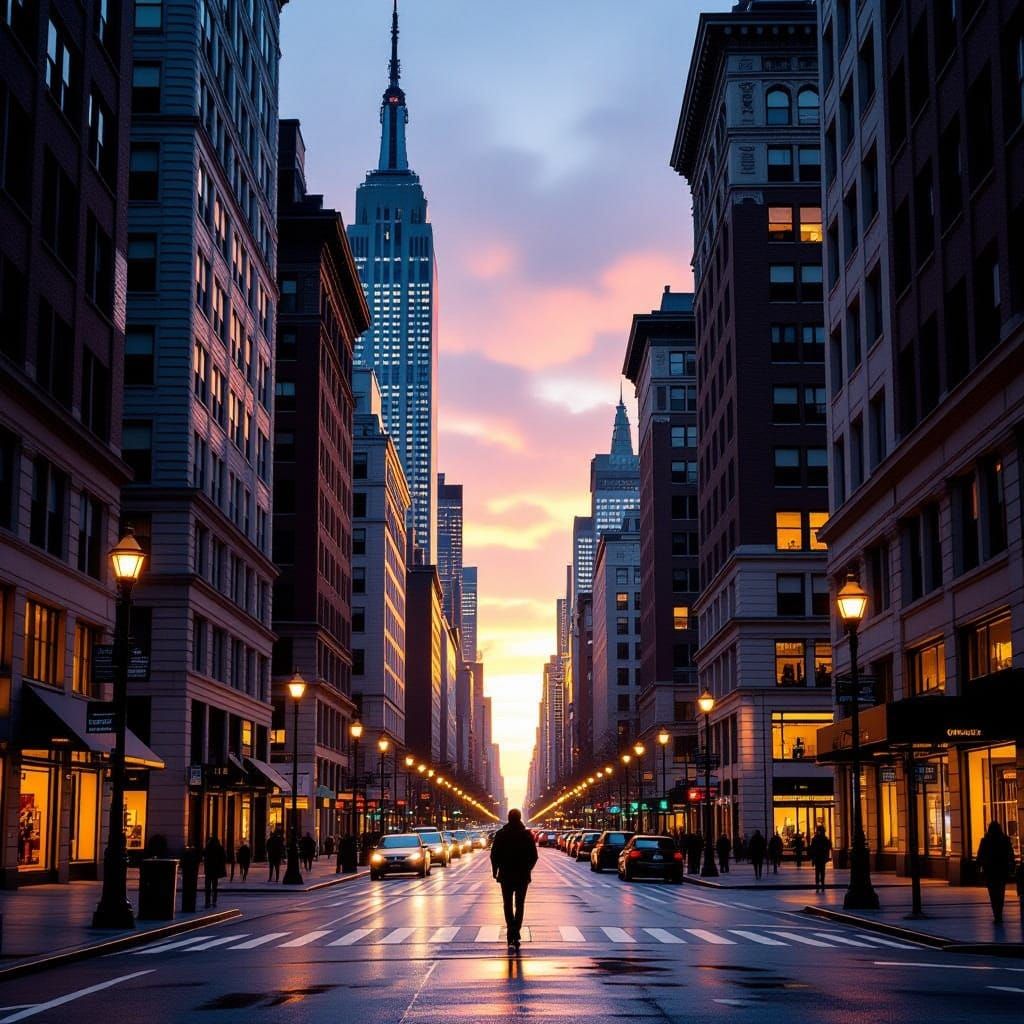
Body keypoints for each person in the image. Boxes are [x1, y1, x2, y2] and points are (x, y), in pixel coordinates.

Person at [489, 809, 538, 951]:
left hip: (505, 875)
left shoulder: (501, 835)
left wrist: (495, 871)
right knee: (520, 904)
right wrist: (528, 869)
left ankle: (511, 931)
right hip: (522, 875)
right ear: (520, 818)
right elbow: (534, 856)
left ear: (509, 818)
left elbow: (494, 855)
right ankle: (516, 931)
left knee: (507, 904)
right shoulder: (526, 835)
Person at [976, 821, 1017, 924]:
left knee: (993, 893)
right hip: (1002, 871)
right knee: (1000, 892)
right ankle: (999, 912)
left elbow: (980, 856)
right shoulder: (1005, 840)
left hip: (990, 871)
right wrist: (1012, 867)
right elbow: (1010, 855)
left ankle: (996, 914)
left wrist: (979, 867)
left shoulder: (985, 841)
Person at [202, 834, 227, 908]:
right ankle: (214, 901)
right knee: (215, 887)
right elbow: (224, 858)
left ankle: (207, 902)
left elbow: (203, 855)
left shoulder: (208, 847)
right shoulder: (220, 848)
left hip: (209, 870)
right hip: (216, 870)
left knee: (208, 887)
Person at [809, 825, 832, 893]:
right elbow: (828, 847)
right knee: (821, 871)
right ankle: (821, 883)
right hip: (821, 857)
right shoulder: (824, 839)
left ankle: (819, 883)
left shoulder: (815, 839)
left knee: (818, 871)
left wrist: (813, 857)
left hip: (818, 857)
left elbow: (812, 849)